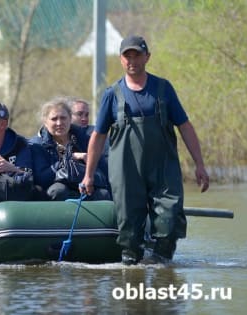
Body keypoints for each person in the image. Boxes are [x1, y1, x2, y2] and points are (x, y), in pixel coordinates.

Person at [80, 35, 209, 265]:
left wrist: (199, 164)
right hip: (127, 173)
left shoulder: (163, 88)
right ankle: (132, 280)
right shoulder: (112, 94)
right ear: (121, 60)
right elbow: (98, 137)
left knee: (169, 223)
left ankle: (161, 273)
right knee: (130, 232)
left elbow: (185, 127)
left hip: (163, 171)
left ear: (147, 57)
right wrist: (88, 175)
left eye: (137, 55)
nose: (132, 60)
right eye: (127, 56)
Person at [29, 96, 111, 201]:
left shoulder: (85, 139)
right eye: (54, 119)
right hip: (54, 190)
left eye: (63, 118)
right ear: (45, 122)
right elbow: (41, 179)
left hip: (84, 185)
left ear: (70, 119)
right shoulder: (37, 145)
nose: (59, 123)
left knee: (103, 194)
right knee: (58, 191)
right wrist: (70, 158)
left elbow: (104, 172)